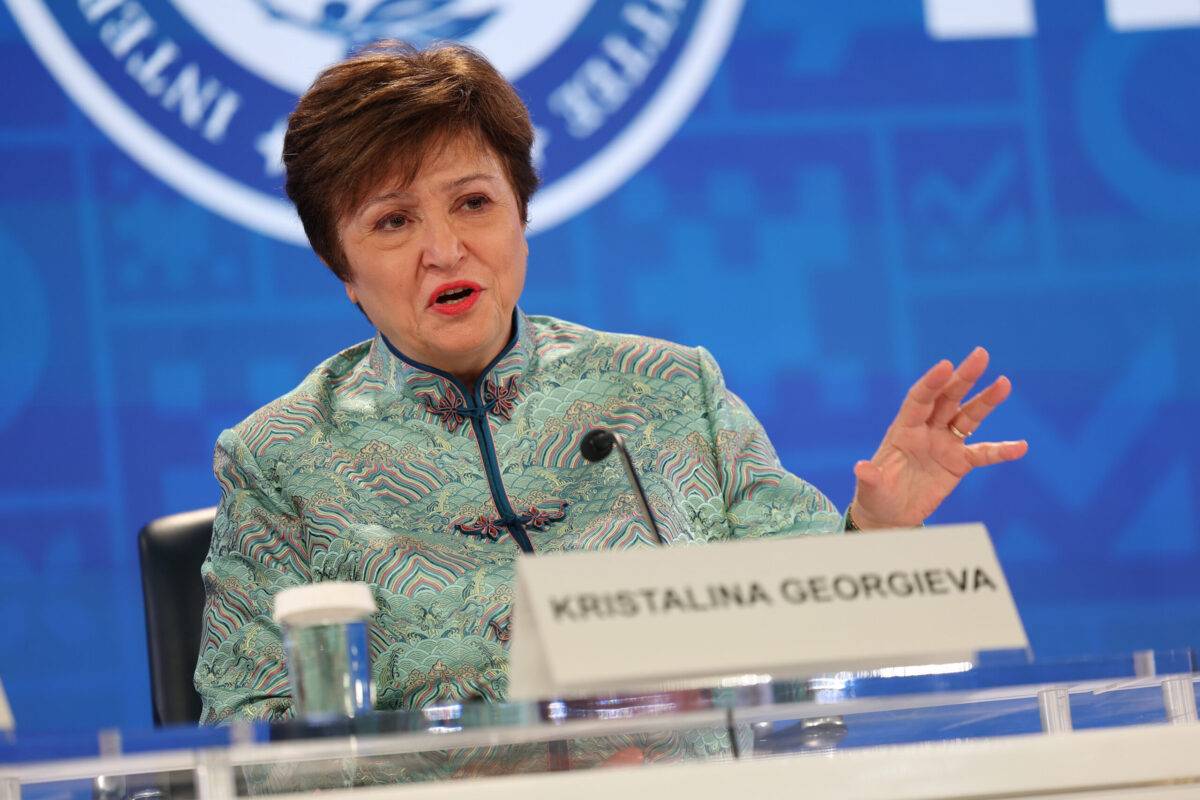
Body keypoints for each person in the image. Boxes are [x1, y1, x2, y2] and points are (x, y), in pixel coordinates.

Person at [194, 41, 1027, 723]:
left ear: (521, 214)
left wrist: (876, 535)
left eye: (474, 203)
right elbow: (247, 728)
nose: (445, 249)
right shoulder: (280, 458)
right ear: (341, 265)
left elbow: (808, 664)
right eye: (393, 221)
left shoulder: (669, 389)